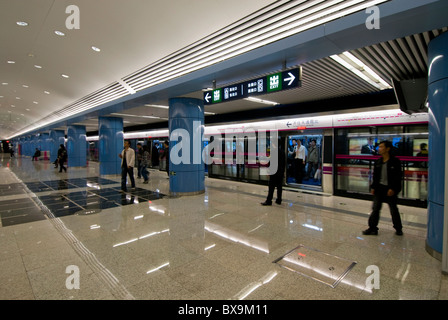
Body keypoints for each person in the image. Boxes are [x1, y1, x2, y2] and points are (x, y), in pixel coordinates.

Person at [363, 140, 403, 236]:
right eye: (379, 147)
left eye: (381, 147)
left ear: (388, 149)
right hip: (379, 189)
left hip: (390, 189)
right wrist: (373, 187)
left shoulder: (395, 162)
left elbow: (398, 177)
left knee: (393, 209)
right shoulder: (378, 162)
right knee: (375, 208)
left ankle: (398, 228)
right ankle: (372, 228)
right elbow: (375, 176)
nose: (379, 149)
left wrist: (393, 188)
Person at [261, 140, 285, 206]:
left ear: (274, 144)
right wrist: (283, 172)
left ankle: (269, 201)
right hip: (280, 172)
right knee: (279, 187)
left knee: (271, 187)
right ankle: (279, 200)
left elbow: (271, 163)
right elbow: (284, 163)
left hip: (274, 172)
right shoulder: (283, 152)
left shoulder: (273, 152)